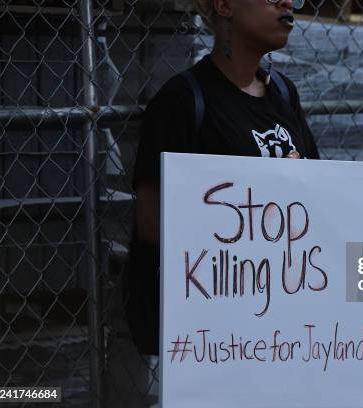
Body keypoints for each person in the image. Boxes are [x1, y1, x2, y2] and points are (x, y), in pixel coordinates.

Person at [124, 0, 319, 375]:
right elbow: (151, 222)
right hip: (213, 336)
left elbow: (316, 196)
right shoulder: (182, 101)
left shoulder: (283, 93)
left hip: (279, 322)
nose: (289, 3)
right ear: (225, 5)